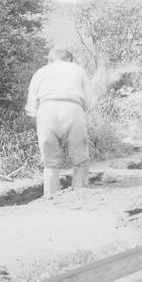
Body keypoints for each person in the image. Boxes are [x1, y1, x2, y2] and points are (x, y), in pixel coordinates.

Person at [25, 48, 93, 197]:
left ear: (50, 60)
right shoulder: (78, 70)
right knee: (80, 158)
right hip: (72, 108)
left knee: (50, 162)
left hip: (46, 109)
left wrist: (40, 125)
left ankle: (51, 195)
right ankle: (80, 193)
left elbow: (31, 107)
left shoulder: (41, 72)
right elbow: (88, 101)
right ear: (70, 59)